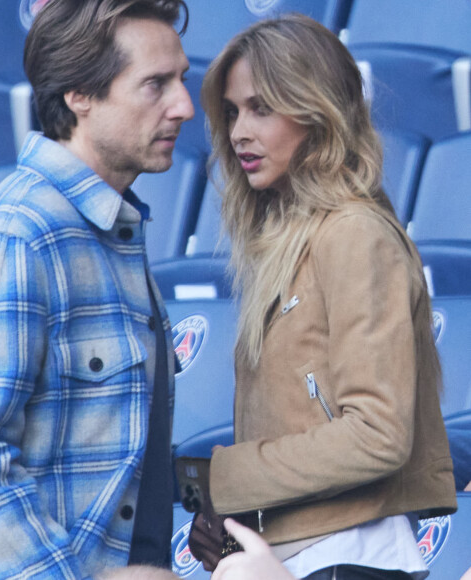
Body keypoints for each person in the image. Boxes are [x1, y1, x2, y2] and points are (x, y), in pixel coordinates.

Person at [0, 0, 194, 578]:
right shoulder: (21, 238)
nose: (184, 107)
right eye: (155, 85)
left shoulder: (106, 229)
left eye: (182, 80)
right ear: (79, 95)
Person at [188, 13, 457, 580]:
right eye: (233, 111)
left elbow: (377, 434)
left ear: (317, 113)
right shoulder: (291, 244)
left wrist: (228, 480)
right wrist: (236, 517)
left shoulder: (355, 233)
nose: (238, 131)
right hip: (301, 557)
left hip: (350, 561)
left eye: (262, 108)